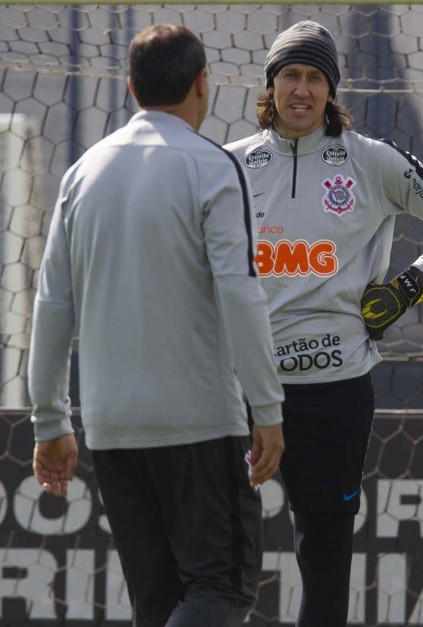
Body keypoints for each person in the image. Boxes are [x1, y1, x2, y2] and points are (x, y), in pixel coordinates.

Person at [224, 20, 423, 627]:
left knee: (323, 560)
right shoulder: (229, 165)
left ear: (331, 89)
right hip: (237, 390)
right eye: (290, 74)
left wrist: (407, 287)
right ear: (269, 84)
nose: (302, 89)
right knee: (220, 559)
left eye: (315, 77)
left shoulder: (369, 160)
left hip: (334, 389)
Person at [29, 24, 285, 627]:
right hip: (197, 422)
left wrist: (49, 419)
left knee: (160, 603)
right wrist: (267, 408)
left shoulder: (83, 173)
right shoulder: (212, 167)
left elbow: (52, 303)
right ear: (203, 84)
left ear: (130, 87)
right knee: (220, 590)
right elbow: (240, 293)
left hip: (114, 428)